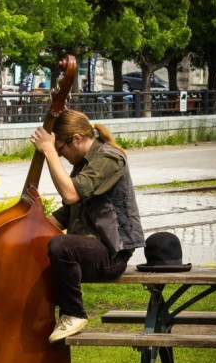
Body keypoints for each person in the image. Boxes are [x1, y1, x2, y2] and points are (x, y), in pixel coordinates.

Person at [30, 109, 145, 343]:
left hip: (112, 253)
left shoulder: (109, 158)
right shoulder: (83, 162)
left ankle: (73, 314)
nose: (61, 155)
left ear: (76, 139)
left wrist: (49, 152)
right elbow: (72, 209)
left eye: (61, 148)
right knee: (42, 247)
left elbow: (72, 195)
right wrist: (33, 228)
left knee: (62, 246)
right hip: (90, 250)